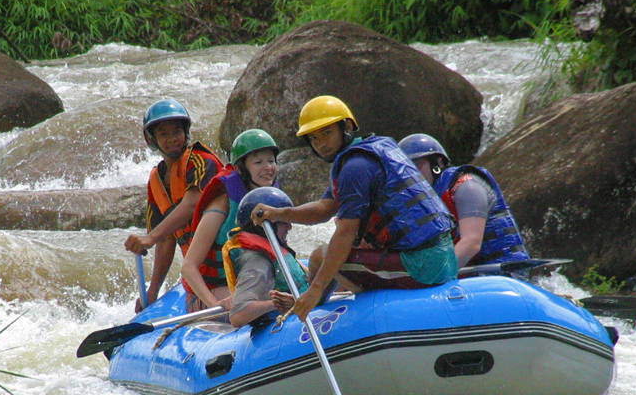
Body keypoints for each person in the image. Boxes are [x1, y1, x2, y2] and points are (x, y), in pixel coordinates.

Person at [250, 95, 457, 322]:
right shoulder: (373, 150)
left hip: (422, 265)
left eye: (327, 133)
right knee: (321, 257)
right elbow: (325, 208)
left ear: (346, 127)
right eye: (314, 138)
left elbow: (346, 232)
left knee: (323, 256)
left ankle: (317, 304)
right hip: (439, 256)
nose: (321, 143)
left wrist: (315, 289)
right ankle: (309, 302)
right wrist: (281, 212)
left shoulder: (355, 167)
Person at [123, 98, 224, 309]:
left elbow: (191, 204)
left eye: (177, 131)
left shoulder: (201, 160)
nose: (172, 139)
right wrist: (153, 291)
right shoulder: (156, 181)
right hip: (199, 276)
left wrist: (149, 237)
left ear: (185, 133)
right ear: (152, 139)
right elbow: (166, 240)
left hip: (228, 267)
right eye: (164, 134)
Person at [180, 128, 280, 311]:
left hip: (251, 281)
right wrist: (214, 304)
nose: (268, 168)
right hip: (213, 291)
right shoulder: (222, 204)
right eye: (258, 162)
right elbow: (188, 267)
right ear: (241, 169)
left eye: (271, 161)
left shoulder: (271, 199)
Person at [398, 132, 531, 268]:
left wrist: (436, 275)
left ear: (436, 164)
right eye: (408, 171)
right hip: (471, 276)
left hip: (506, 272)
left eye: (418, 167)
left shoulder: (467, 186)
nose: (414, 176)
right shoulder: (424, 203)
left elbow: (472, 243)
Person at [221, 186, 304, 328]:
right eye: (284, 221)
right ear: (265, 227)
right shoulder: (257, 262)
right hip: (276, 327)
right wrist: (276, 303)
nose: (289, 227)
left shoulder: (274, 253)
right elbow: (238, 315)